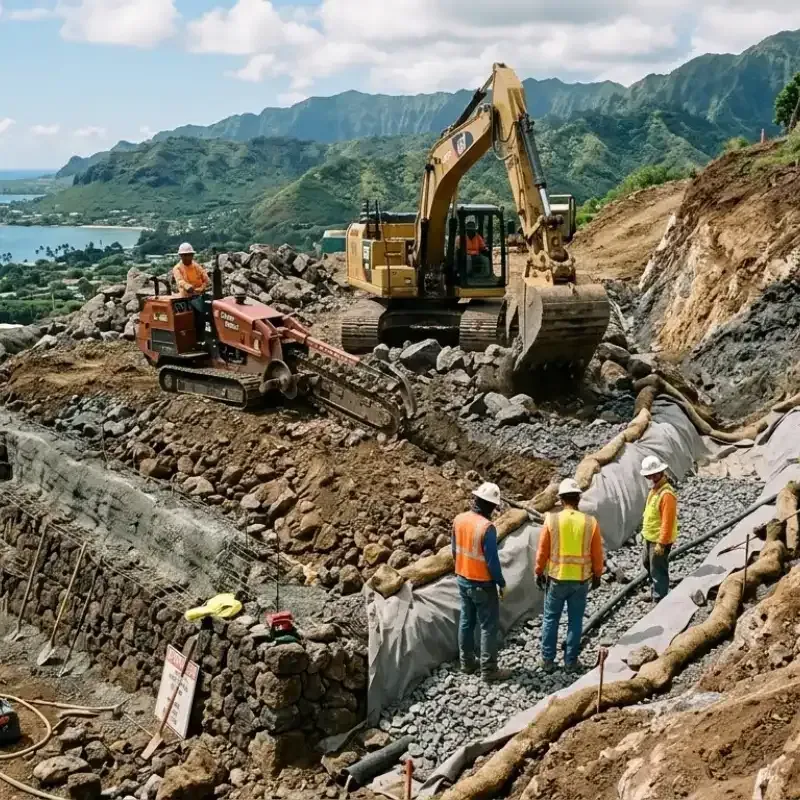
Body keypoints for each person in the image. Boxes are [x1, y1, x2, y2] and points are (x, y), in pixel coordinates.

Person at [535, 478, 604, 674]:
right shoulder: (590, 522)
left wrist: (538, 571)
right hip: (581, 580)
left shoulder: (552, 520)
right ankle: (571, 662)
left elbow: (542, 550)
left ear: (561, 499)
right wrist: (597, 574)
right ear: (578, 499)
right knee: (575, 620)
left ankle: (548, 660)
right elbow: (597, 553)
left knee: (550, 619)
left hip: (557, 578)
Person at [452, 482, 509, 683]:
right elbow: (492, 562)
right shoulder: (487, 528)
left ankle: (467, 663)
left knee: (467, 621)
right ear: (491, 506)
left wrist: (460, 571)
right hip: (482, 584)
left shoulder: (459, 520)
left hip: (462, 579)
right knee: (488, 626)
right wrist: (500, 583)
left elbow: (454, 551)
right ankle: (489, 670)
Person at [640, 456, 678, 602]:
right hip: (650, 537)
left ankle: (660, 597)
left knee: (658, 569)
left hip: (659, 539)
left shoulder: (666, 494)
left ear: (661, 472)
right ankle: (654, 590)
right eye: (650, 475)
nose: (652, 477)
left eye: (654, 474)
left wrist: (662, 543)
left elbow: (667, 522)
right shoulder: (655, 490)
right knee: (647, 563)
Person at [172, 242, 210, 343]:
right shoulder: (177, 268)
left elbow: (206, 279)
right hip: (186, 297)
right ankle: (198, 339)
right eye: (185, 255)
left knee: (210, 309)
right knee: (199, 314)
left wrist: (202, 288)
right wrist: (187, 286)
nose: (188, 257)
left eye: (189, 255)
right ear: (181, 256)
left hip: (199, 295)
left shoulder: (196, 266)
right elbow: (180, 281)